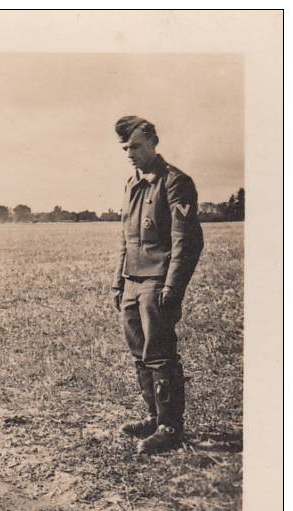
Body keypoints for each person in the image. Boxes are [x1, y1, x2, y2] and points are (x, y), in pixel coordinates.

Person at [111, 116, 204, 454]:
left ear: (152, 142)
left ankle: (170, 427)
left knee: (160, 355)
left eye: (135, 146)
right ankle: (153, 416)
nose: (129, 153)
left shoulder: (175, 183)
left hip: (157, 283)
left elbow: (186, 241)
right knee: (140, 355)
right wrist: (117, 284)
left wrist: (172, 288)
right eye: (125, 148)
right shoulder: (131, 184)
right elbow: (126, 239)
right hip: (132, 283)